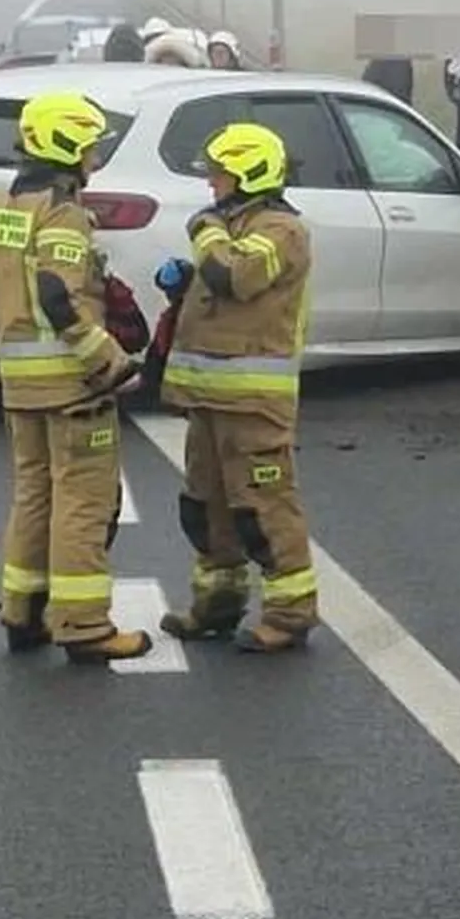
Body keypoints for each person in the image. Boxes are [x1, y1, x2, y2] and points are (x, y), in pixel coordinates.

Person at [0, 90, 150, 663]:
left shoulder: (7, 206)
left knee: (34, 495)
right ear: (67, 144)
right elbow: (57, 294)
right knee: (83, 502)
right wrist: (109, 362)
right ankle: (84, 625)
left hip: (21, 387)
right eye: (90, 146)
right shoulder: (62, 211)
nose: (95, 157)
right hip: (72, 385)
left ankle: (22, 613)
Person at [158, 120, 318, 655]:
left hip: (253, 405)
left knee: (263, 511)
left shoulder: (280, 230)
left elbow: (238, 276)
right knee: (206, 509)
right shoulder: (237, 223)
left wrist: (205, 236)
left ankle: (290, 614)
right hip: (209, 399)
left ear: (249, 175)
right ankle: (216, 606)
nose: (211, 185)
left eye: (220, 175)